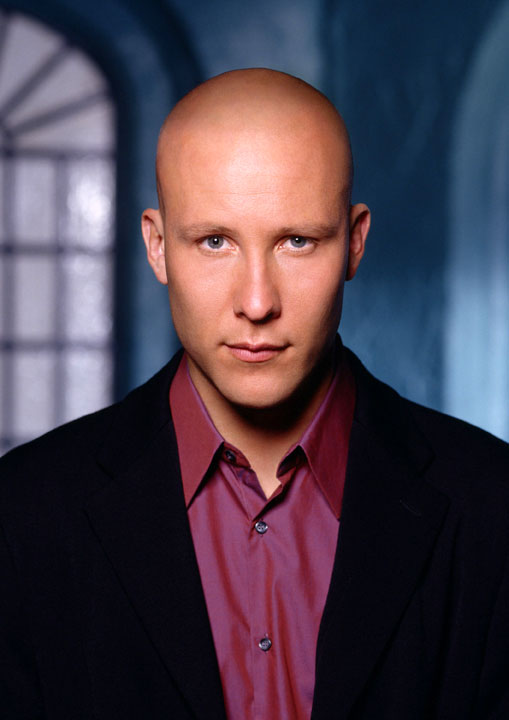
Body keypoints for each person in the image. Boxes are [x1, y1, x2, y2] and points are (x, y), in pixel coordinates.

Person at [0, 69, 508, 720]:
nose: (257, 302)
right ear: (157, 246)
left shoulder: (491, 508)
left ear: (354, 242)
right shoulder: (23, 516)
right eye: (214, 242)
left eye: (297, 241)